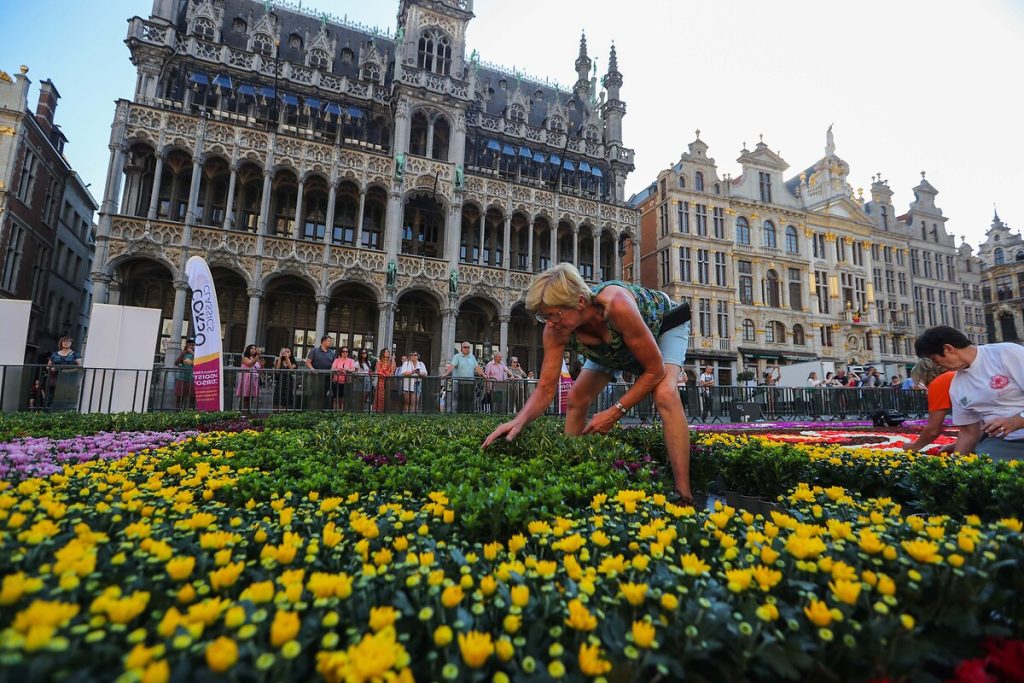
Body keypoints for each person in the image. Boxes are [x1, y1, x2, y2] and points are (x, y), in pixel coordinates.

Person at [482, 263, 694, 503]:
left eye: (553, 314)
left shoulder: (616, 304)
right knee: (576, 398)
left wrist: (615, 412)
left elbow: (654, 371)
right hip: (612, 347)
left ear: (580, 302)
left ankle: (684, 493)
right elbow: (546, 388)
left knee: (665, 394)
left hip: (664, 326)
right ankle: (573, 477)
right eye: (544, 316)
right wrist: (518, 421)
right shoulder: (556, 330)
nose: (549, 323)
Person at [915, 325, 1024, 460]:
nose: (936, 365)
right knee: (982, 473)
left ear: (948, 349)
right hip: (1002, 442)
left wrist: (1019, 420)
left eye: (934, 359)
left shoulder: (1006, 354)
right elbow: (968, 432)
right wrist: (957, 464)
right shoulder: (957, 386)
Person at [904, 358, 955, 453]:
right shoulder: (955, 375)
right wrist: (956, 445)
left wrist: (914, 447)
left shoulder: (939, 383)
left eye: (919, 381)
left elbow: (933, 430)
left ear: (924, 376)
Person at [442, 342, 483, 413]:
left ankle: (468, 414)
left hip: (469, 383)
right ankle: (454, 414)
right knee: (455, 399)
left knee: (469, 400)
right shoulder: (457, 356)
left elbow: (477, 367)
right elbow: (452, 366)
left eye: (468, 347)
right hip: (457, 382)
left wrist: (484, 375)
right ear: (461, 348)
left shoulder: (472, 357)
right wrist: (445, 374)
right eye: (464, 347)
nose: (466, 349)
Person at [46, 336, 82, 408]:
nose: (66, 343)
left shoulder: (75, 354)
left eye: (68, 342)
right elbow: (48, 366)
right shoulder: (55, 354)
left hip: (69, 378)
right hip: (55, 378)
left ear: (71, 343)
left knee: (66, 394)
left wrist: (68, 371)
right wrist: (52, 369)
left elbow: (79, 367)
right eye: (64, 341)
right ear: (61, 343)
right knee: (53, 394)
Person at [305, 336, 336, 409]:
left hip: (328, 377)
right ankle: (314, 411)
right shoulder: (314, 351)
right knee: (315, 395)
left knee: (324, 395)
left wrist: (333, 371)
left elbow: (335, 363)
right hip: (316, 377)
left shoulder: (332, 352)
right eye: (329, 341)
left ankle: (322, 412)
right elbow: (308, 362)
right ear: (323, 341)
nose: (330, 342)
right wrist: (313, 369)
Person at [235, 344, 262, 412]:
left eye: (255, 348)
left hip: (254, 379)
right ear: (248, 350)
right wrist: (258, 356)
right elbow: (250, 364)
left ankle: (248, 410)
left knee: (251, 396)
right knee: (245, 396)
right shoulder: (245, 358)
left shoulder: (256, 359)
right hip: (246, 379)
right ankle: (243, 411)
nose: (254, 350)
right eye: (252, 348)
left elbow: (258, 368)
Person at [330, 346, 356, 410]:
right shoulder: (337, 360)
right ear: (341, 352)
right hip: (337, 382)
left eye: (346, 352)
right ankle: (335, 412)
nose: (345, 353)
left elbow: (353, 369)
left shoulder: (351, 361)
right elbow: (332, 369)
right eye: (343, 351)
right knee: (336, 398)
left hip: (346, 382)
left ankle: (342, 412)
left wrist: (346, 370)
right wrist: (338, 369)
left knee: (344, 399)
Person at [174, 339, 196, 410]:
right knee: (179, 398)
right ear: (186, 345)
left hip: (192, 379)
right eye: (190, 345)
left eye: (193, 345)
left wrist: (193, 353)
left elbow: (200, 363)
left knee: (192, 399)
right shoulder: (184, 353)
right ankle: (178, 414)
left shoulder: (197, 354)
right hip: (182, 378)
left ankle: (190, 414)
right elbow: (176, 363)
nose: (191, 346)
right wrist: (183, 354)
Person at [374, 348, 396, 412]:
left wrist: (393, 360)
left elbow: (393, 370)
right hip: (381, 381)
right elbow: (379, 371)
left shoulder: (391, 362)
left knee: (388, 396)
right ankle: (378, 410)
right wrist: (385, 374)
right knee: (380, 396)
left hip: (389, 381)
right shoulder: (379, 362)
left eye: (388, 352)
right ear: (383, 353)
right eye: (386, 352)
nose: (388, 353)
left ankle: (387, 410)